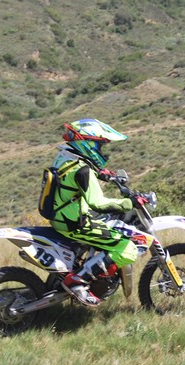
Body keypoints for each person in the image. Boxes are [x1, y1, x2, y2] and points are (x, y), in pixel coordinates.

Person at [47, 118, 145, 307]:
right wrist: (129, 203)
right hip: (75, 223)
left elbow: (71, 177)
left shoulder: (65, 157)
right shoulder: (82, 170)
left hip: (60, 216)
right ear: (88, 144)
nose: (101, 150)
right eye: (99, 146)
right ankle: (78, 280)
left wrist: (101, 173)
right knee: (127, 248)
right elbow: (97, 203)